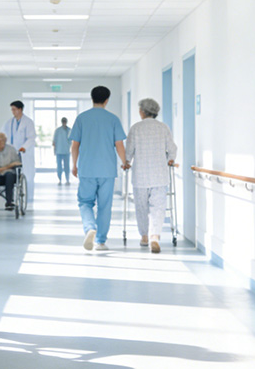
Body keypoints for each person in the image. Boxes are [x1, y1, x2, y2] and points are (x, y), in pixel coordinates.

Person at [70, 86, 128, 252]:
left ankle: (89, 228)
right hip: (107, 170)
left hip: (87, 168)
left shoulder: (82, 118)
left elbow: (75, 144)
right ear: (107, 100)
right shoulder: (113, 119)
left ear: (92, 98)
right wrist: (124, 162)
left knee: (85, 202)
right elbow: (119, 145)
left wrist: (74, 164)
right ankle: (100, 241)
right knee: (105, 205)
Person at [124, 98, 177, 254]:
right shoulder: (163, 128)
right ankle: (155, 237)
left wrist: (127, 162)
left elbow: (129, 151)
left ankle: (145, 236)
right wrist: (170, 159)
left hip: (140, 176)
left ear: (142, 112)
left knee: (141, 207)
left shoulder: (135, 128)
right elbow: (172, 148)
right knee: (158, 208)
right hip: (159, 175)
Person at [1, 100, 36, 200]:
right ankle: (12, 198)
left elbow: (31, 138)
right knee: (12, 175)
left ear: (20, 109)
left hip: (24, 153)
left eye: (14, 109)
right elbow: (3, 135)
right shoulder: (9, 123)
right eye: (12, 109)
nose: (12, 111)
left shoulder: (28, 122)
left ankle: (28, 198)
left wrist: (24, 147)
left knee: (27, 176)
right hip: (12, 154)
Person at [53, 117, 72, 185]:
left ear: (66, 122)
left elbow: (71, 141)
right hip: (59, 151)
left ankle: (67, 179)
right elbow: (54, 141)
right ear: (62, 122)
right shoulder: (58, 130)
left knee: (67, 166)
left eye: (65, 121)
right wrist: (54, 150)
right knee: (59, 167)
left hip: (66, 151)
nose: (64, 122)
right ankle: (60, 180)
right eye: (63, 121)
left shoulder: (69, 130)